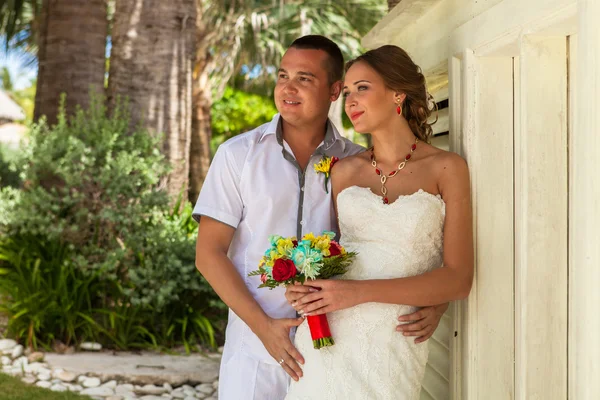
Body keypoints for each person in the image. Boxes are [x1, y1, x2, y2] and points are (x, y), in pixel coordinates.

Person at [194, 37, 449, 400]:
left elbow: (392, 243)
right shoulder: (237, 156)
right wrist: (264, 328)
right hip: (255, 347)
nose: (287, 87)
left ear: (333, 91)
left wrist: (437, 302)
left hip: (333, 346)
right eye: (283, 76)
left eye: (304, 78)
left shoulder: (357, 163)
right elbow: (208, 254)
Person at [285, 45, 474, 400]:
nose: (350, 101)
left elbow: (459, 279)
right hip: (328, 338)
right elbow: (333, 254)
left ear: (397, 93)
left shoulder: (447, 168)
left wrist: (438, 300)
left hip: (395, 340)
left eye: (363, 88)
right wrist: (305, 285)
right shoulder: (343, 172)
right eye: (347, 92)